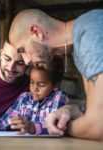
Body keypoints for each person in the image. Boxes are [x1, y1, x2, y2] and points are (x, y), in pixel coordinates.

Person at [8, 9, 103, 140]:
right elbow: (92, 110)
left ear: (36, 32)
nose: (26, 61)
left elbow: (98, 126)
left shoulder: (90, 30)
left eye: (23, 50)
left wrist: (61, 126)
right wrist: (70, 110)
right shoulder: (77, 50)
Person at [0, 64, 69, 134]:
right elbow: (5, 122)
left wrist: (31, 127)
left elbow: (55, 126)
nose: (34, 89)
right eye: (32, 82)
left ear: (55, 85)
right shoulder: (24, 98)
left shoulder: (59, 97)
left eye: (41, 85)